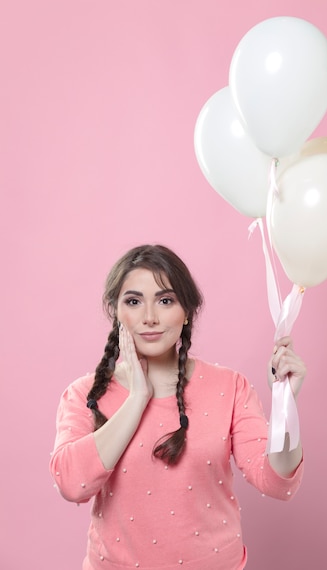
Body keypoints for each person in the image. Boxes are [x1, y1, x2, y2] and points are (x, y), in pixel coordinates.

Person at [50, 244, 306, 570]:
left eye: (165, 300)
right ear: (115, 311)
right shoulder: (83, 394)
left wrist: (286, 405)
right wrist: (137, 399)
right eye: (133, 301)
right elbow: (72, 484)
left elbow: (276, 481)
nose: (150, 317)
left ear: (186, 311)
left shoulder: (230, 387)